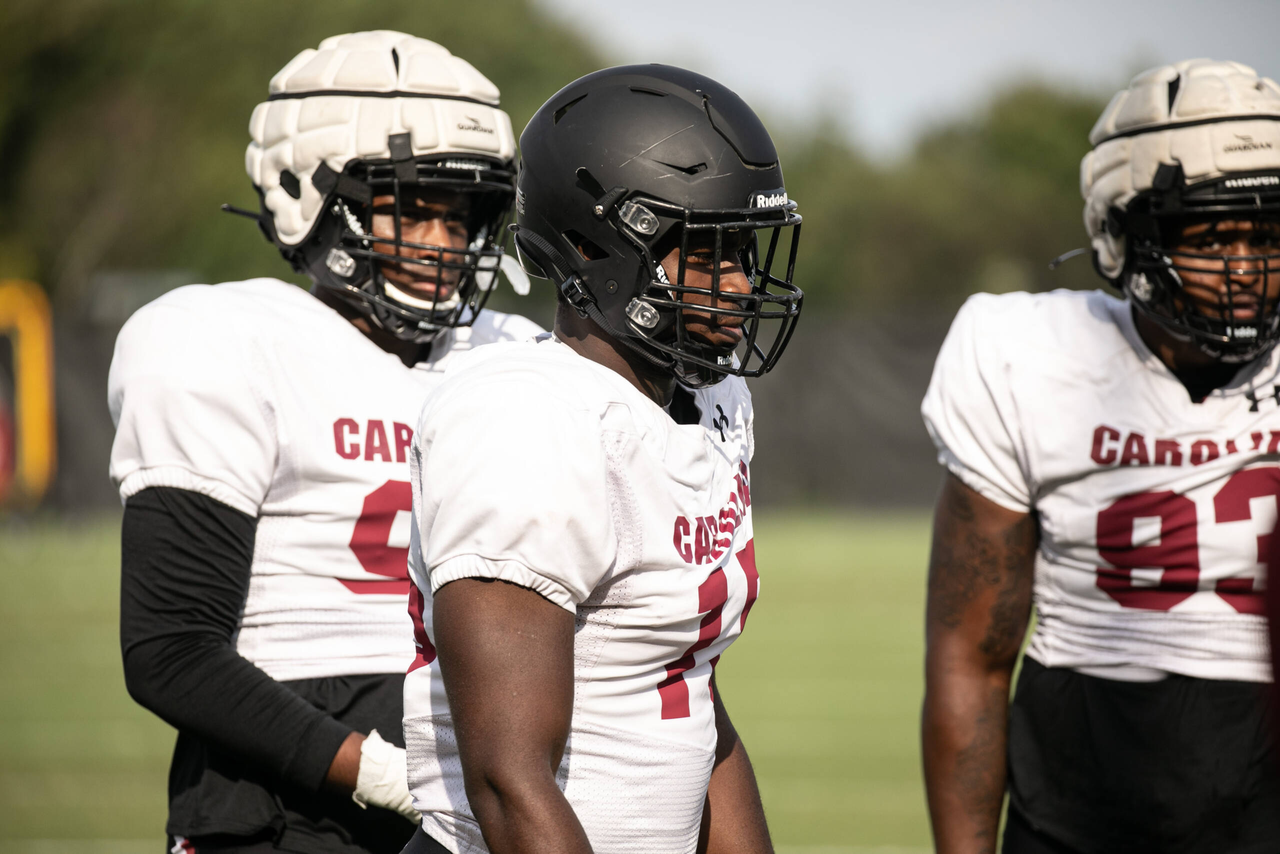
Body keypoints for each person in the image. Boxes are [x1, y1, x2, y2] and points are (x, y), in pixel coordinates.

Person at [108, 31, 542, 854]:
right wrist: (377, 772)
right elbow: (170, 650)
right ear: (309, 192)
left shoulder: (513, 358)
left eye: (462, 214)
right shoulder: (227, 341)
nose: (444, 244)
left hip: (470, 769)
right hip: (279, 798)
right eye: (412, 207)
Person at [398, 65, 804, 854]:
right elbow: (509, 781)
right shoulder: (527, 419)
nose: (742, 282)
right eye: (707, 252)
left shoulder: (708, 402)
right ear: (594, 247)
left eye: (745, 250)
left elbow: (689, 693)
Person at [921, 59, 1280, 854]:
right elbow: (972, 656)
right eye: (1214, 235)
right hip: (1084, 796)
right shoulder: (1028, 357)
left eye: (1267, 233)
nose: (1248, 269)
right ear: (1125, 232)